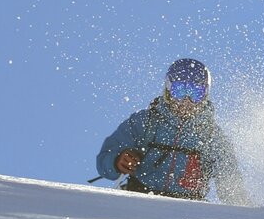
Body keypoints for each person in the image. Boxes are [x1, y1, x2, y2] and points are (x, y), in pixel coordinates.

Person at [95, 58, 250, 206]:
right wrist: (116, 161)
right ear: (168, 90)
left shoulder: (212, 137)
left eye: (196, 93)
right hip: (140, 201)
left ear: (205, 95)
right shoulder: (145, 122)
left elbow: (231, 186)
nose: (187, 100)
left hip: (188, 209)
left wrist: (247, 215)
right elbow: (105, 160)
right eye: (180, 91)